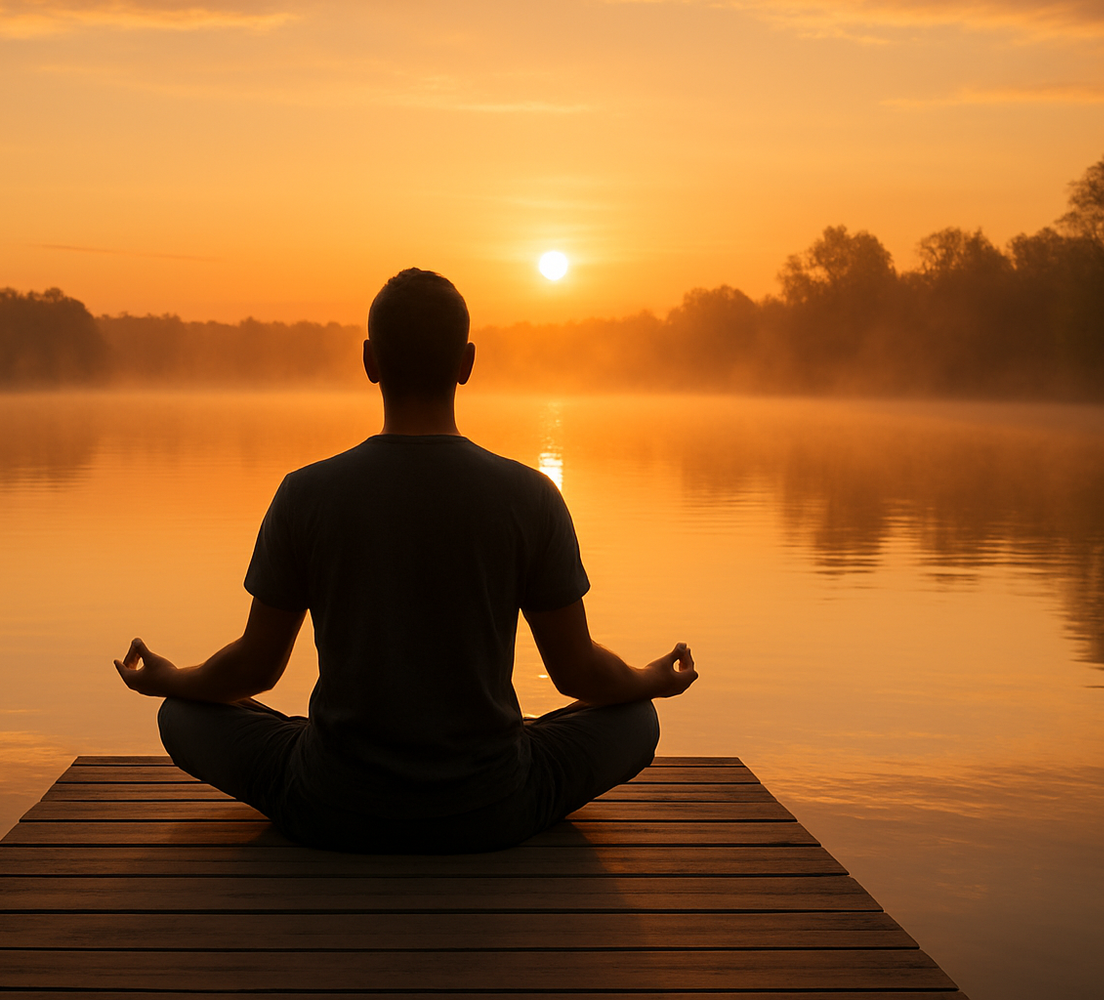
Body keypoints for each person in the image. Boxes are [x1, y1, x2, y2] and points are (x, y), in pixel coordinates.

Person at [113, 267, 697, 853]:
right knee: (637, 719)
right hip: (491, 806)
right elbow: (578, 675)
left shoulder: (306, 494)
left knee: (181, 715)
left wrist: (173, 678)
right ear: (467, 363)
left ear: (369, 361)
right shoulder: (531, 496)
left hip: (333, 803)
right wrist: (651, 680)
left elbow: (254, 670)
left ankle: (331, 752)